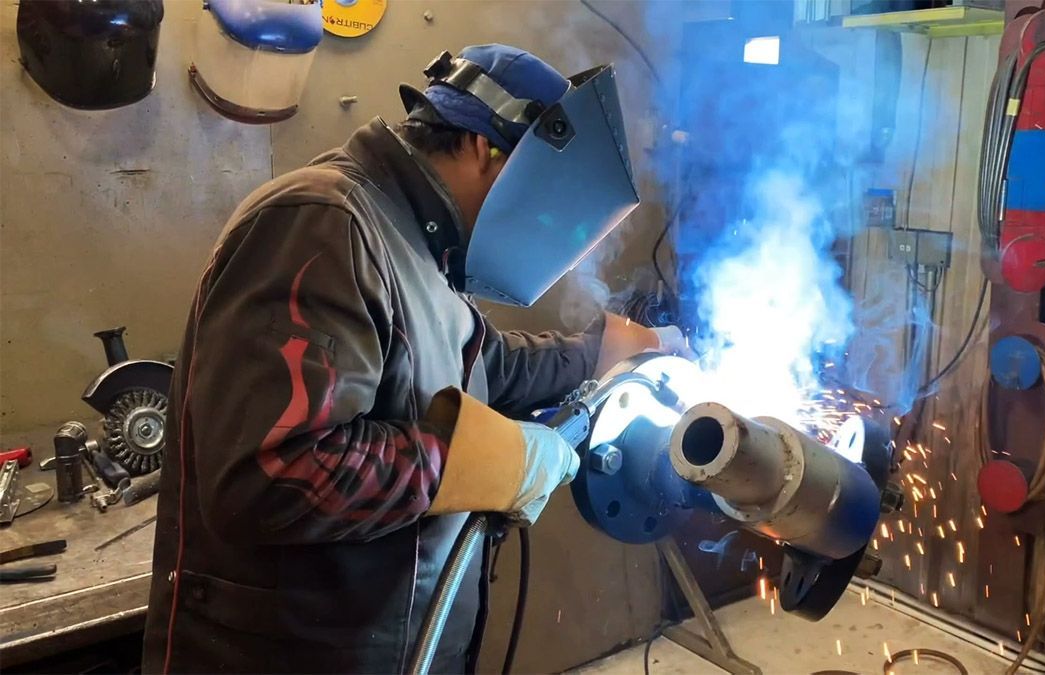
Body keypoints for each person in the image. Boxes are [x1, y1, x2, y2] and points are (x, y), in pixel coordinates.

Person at [142, 44, 686, 673]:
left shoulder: (418, 242)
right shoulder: (325, 223)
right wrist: (487, 462)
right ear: (487, 150)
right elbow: (270, 476)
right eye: (547, 202)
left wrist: (600, 354)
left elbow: (483, 366)